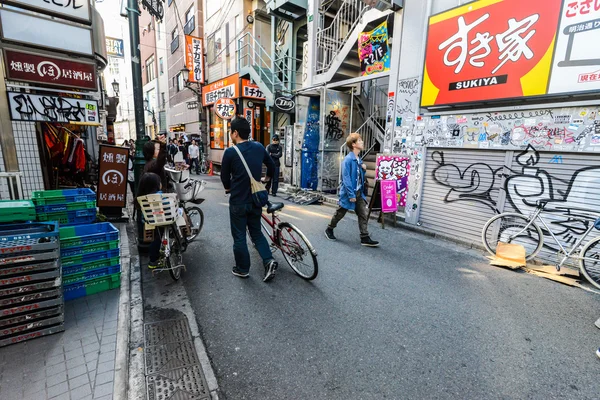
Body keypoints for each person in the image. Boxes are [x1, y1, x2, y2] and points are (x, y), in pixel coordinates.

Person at [220, 117, 278, 281]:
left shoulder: (230, 152)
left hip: (238, 201)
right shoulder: (259, 146)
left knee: (239, 237)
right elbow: (272, 166)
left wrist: (228, 188)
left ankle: (242, 269)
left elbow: (224, 177)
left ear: (236, 133)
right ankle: (268, 260)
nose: (230, 134)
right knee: (256, 233)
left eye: (231, 131)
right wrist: (266, 180)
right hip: (255, 200)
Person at [325, 133, 379, 247]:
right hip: (349, 193)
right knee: (340, 213)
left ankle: (364, 237)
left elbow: (359, 177)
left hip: (359, 192)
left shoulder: (358, 159)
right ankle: (329, 229)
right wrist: (351, 194)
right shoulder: (348, 160)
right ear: (353, 144)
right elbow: (346, 179)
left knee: (363, 214)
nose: (362, 142)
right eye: (359, 141)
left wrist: (363, 169)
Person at [137, 172, 163, 269]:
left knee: (155, 239)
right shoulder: (160, 196)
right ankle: (153, 261)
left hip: (149, 221)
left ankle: (153, 260)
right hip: (161, 220)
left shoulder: (143, 198)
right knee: (157, 239)